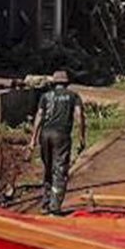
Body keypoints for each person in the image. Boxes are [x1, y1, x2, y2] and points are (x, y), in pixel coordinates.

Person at [27, 70, 85, 214]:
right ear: (66, 83)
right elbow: (79, 116)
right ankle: (55, 206)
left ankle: (45, 204)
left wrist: (33, 140)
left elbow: (39, 116)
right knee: (59, 169)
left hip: (45, 135)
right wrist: (81, 137)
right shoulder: (73, 96)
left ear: (54, 83)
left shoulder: (45, 96)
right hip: (61, 136)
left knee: (48, 168)